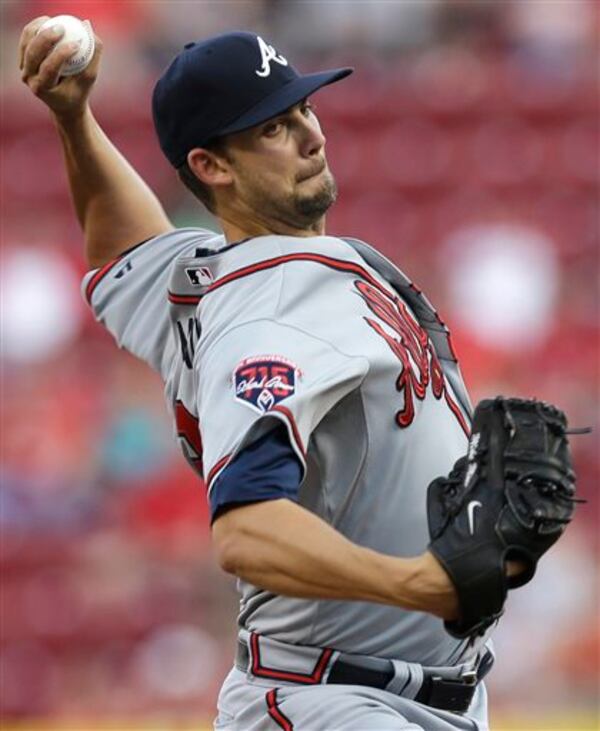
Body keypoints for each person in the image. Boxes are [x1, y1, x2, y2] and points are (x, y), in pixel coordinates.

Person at [20, 21, 516, 731]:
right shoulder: (271, 312)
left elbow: (119, 245)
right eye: (273, 128)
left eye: (304, 110)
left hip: (393, 695)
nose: (312, 134)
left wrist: (74, 118)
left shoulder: (202, 278)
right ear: (212, 166)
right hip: (336, 702)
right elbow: (247, 529)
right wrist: (419, 584)